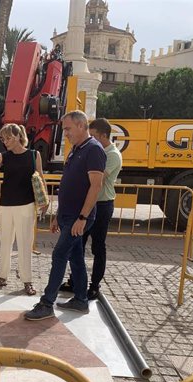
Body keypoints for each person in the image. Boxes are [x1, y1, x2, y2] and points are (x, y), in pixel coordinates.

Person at [24, 110, 105, 321]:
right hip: (68, 216)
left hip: (79, 218)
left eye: (68, 129)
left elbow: (96, 186)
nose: (65, 133)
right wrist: (58, 215)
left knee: (59, 254)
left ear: (81, 126)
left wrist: (83, 218)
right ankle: (80, 299)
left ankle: (47, 303)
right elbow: (68, 185)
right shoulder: (76, 149)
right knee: (75, 256)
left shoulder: (93, 150)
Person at [0, 123, 45, 296]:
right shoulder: (3, 156)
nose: (5, 141)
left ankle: (27, 280)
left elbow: (40, 178)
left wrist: (44, 201)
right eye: (3, 138)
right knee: (5, 242)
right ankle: (2, 276)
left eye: (8, 138)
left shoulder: (34, 155)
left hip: (26, 205)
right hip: (5, 204)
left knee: (25, 243)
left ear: (18, 136)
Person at [60, 118, 123, 300]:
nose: (92, 139)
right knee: (77, 245)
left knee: (97, 247)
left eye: (94, 136)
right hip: (88, 205)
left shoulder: (111, 154)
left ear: (104, 135)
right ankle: (75, 282)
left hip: (102, 205)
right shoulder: (92, 150)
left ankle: (94, 286)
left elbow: (96, 180)